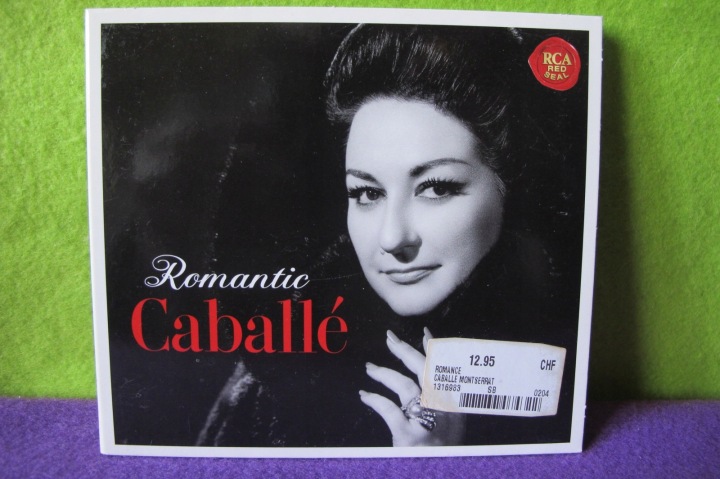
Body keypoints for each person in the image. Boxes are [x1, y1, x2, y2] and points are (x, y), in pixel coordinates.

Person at [197, 24, 575, 448]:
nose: (392, 238)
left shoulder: (565, 364)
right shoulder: (270, 385)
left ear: (511, 185)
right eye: (367, 193)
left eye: (436, 188)